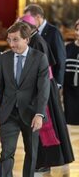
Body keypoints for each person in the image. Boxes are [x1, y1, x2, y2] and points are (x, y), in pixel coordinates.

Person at [0, 22, 50, 177]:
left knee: (31, 153)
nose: (11, 44)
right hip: (8, 113)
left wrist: (39, 114)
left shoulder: (40, 59)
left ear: (26, 39)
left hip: (31, 114)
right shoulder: (4, 58)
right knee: (6, 153)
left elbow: (44, 89)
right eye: (9, 40)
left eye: (16, 40)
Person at [19, 15, 74, 172]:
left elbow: (39, 68)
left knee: (43, 125)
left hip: (42, 86)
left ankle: (44, 161)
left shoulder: (36, 42)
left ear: (28, 28)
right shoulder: (36, 39)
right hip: (44, 85)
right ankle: (44, 160)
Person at [24, 4, 66, 88]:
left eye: (29, 19)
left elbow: (60, 58)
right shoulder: (30, 32)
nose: (27, 22)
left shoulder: (53, 32)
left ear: (38, 17)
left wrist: (58, 83)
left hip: (50, 80)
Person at [63, 19, 79, 125]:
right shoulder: (67, 48)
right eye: (77, 29)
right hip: (69, 92)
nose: (78, 33)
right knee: (69, 123)